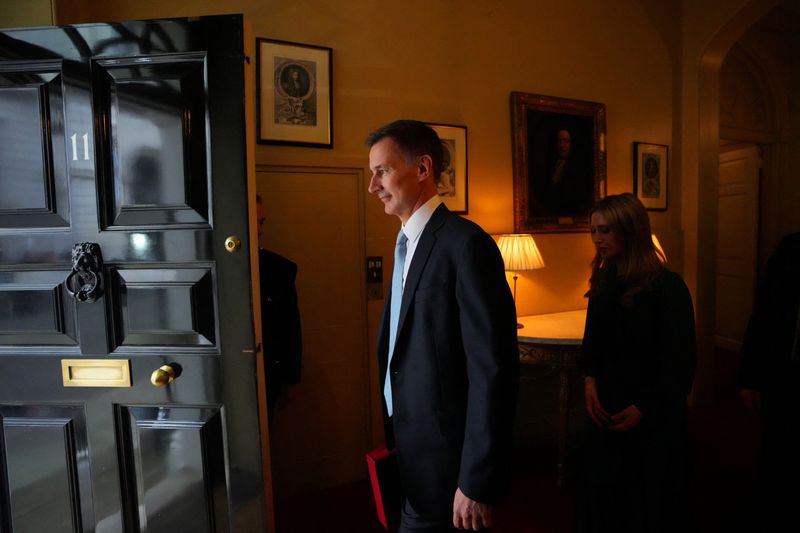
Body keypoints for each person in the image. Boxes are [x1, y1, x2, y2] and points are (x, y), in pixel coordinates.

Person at [366, 120, 519, 532]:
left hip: (451, 464)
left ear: (422, 169)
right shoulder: (405, 246)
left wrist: (476, 480)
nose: (372, 185)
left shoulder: (466, 245)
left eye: (381, 171)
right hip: (411, 449)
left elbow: (493, 371)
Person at [576, 193, 696, 532]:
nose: (598, 239)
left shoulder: (668, 287)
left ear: (630, 231)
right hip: (609, 404)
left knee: (647, 501)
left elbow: (680, 359)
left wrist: (645, 405)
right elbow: (593, 342)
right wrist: (589, 380)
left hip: (652, 412)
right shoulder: (604, 281)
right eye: (594, 231)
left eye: (606, 230)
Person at [737, 231, 800, 530]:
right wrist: (749, 376)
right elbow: (764, 315)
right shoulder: (790, 250)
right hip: (783, 377)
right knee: (778, 453)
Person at [256, 194, 302, 424]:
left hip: (270, 376)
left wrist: (290, 379)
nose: (258, 230)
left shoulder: (279, 270)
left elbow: (290, 328)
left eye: (261, 222)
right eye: (254, 222)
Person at [532, 128, 594, 219]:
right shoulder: (550, 165)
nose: (561, 145)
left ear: (571, 144)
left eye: (566, 141)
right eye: (559, 141)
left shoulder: (579, 168)